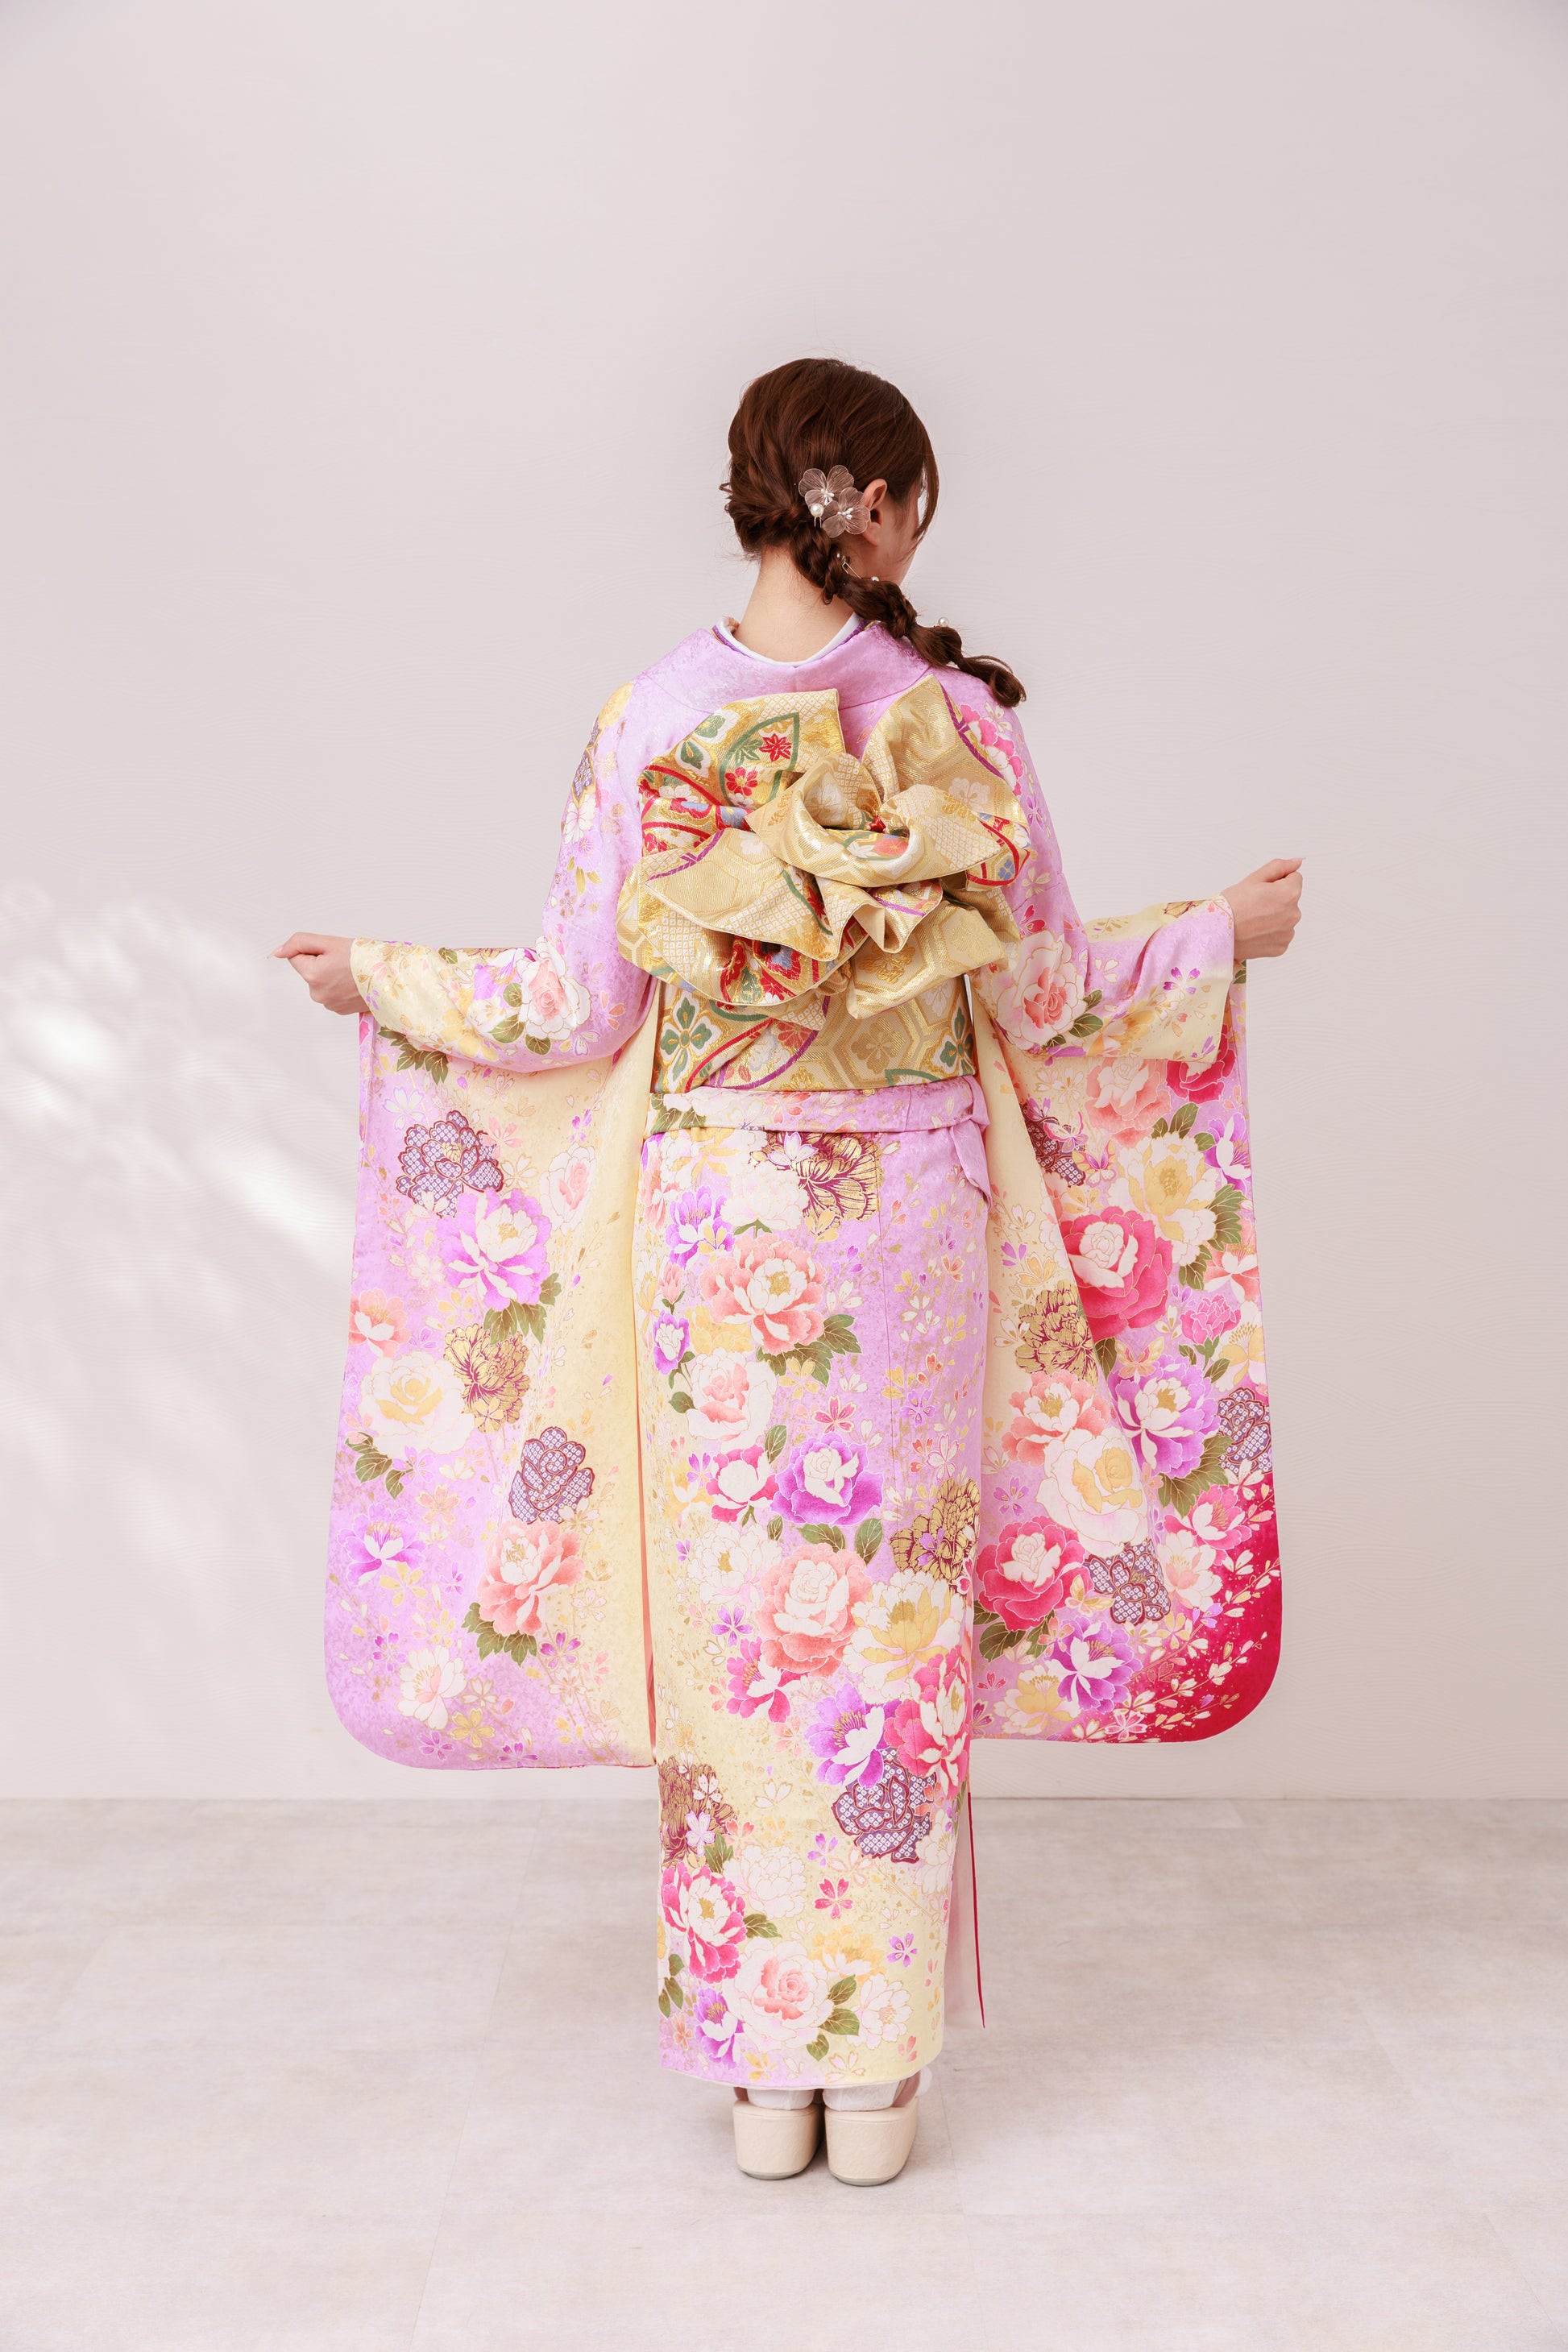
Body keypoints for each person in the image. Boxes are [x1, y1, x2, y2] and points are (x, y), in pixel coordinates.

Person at [277, 357, 1301, 2187]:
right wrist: (1218, 933)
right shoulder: (953, 723)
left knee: (745, 1635)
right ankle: (874, 2072)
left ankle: (763, 2077)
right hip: (906, 1235)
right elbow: (1047, 994)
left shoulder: (651, 715)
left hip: (719, 1232)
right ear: (873, 502)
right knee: (882, 1628)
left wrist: (386, 980)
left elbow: (571, 1003)